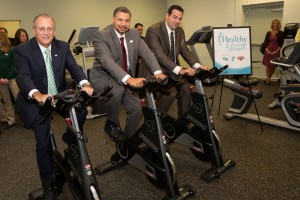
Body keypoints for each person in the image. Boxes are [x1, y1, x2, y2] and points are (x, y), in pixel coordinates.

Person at [14, 13, 93, 200]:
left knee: (80, 111)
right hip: (37, 99)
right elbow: (23, 77)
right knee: (43, 144)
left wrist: (84, 83)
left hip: (57, 95)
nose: (46, 32)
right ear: (34, 30)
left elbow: (73, 67)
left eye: (50, 28)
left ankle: (69, 136)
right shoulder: (23, 50)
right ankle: (48, 185)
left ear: (54, 30)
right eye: (41, 28)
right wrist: (37, 94)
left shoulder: (63, 46)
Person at [89, 6, 165, 141]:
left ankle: (129, 141)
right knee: (117, 90)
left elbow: (147, 52)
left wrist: (157, 72)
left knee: (137, 109)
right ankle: (111, 123)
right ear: (113, 19)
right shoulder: (102, 35)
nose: (123, 24)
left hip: (124, 77)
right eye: (120, 20)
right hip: (104, 76)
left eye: (127, 20)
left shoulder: (134, 34)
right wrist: (129, 79)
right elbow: (107, 61)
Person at [145, 4, 208, 118]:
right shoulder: (153, 30)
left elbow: (185, 51)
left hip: (172, 70)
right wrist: (180, 70)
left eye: (180, 18)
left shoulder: (180, 31)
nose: (177, 21)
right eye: (174, 17)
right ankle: (156, 121)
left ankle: (183, 122)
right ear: (167, 15)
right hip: (158, 71)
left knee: (185, 90)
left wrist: (198, 66)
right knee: (171, 92)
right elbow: (160, 56)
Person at [0, 32, 17, 129]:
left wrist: (8, 77)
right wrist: (1, 79)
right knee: (6, 100)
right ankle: (10, 120)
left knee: (18, 98)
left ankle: (26, 118)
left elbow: (14, 65)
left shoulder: (12, 50)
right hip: (1, 80)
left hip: (12, 78)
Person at [262, 19, 284, 85]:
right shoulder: (268, 33)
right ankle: (268, 79)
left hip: (276, 52)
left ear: (278, 25)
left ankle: (268, 78)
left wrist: (275, 52)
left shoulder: (281, 33)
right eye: (274, 23)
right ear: (272, 24)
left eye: (277, 23)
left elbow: (281, 44)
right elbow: (265, 43)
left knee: (273, 66)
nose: (275, 24)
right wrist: (267, 50)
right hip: (267, 51)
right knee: (268, 66)